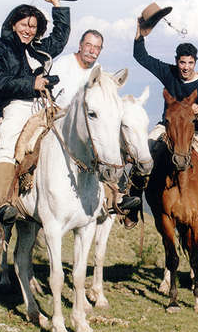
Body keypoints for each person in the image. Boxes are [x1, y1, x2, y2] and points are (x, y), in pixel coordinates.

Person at [132, 3, 198, 235]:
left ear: (196, 63)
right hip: (167, 128)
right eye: (182, 62)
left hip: (196, 133)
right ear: (177, 61)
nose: (185, 67)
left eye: (190, 63)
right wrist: (139, 33)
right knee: (141, 154)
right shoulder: (169, 72)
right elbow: (140, 56)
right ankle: (132, 206)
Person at [0, 0, 70, 225]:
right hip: (15, 104)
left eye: (33, 27)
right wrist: (32, 83)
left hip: (44, 104)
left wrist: (57, 5)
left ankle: (110, 196)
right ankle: (2, 203)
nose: (28, 30)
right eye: (24, 24)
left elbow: (60, 38)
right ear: (13, 24)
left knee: (77, 130)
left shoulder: (38, 48)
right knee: (9, 139)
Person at [50, 29, 140, 211]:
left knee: (109, 140)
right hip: (60, 119)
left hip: (86, 122)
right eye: (89, 45)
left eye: (97, 47)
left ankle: (114, 193)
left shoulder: (97, 70)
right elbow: (51, 97)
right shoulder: (63, 64)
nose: (92, 51)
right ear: (80, 45)